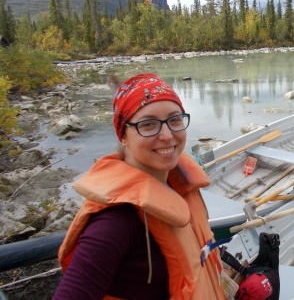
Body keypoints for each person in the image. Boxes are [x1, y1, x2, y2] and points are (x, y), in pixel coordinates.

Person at [53, 73, 226, 300]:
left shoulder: (177, 186)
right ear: (123, 135)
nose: (167, 135)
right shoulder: (115, 222)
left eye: (174, 120)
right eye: (148, 124)